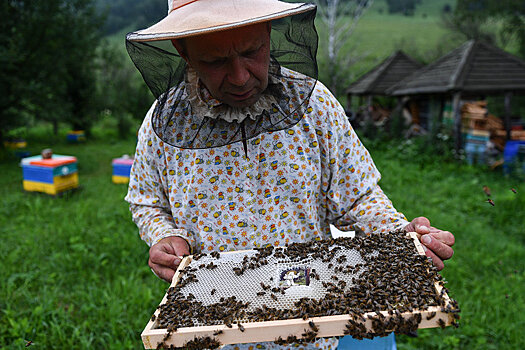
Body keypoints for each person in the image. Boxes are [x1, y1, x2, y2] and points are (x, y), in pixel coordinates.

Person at [125, 1, 455, 349]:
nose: (239, 76)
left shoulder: (317, 106)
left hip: (307, 325)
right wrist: (164, 236)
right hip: (211, 324)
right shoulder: (163, 122)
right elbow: (146, 201)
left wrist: (402, 237)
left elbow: (358, 197)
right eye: (215, 60)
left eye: (252, 52)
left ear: (269, 31)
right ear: (183, 50)